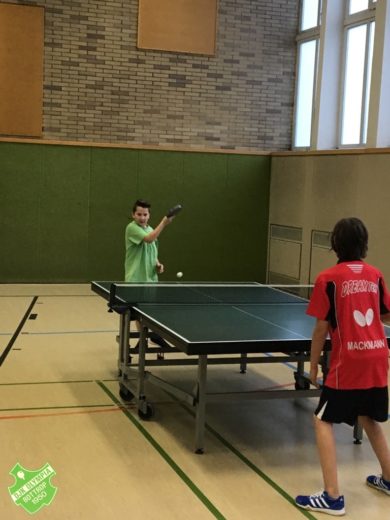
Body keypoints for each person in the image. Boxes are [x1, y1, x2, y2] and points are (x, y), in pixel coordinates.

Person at [295, 217, 390, 516]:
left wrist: (312, 366)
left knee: (322, 420)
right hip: (377, 357)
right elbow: (384, 316)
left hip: (348, 361)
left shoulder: (328, 278)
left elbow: (320, 331)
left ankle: (332, 496)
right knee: (368, 417)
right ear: (364, 244)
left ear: (335, 243)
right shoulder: (375, 275)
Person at [124, 198, 175, 350]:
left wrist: (157, 263)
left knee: (145, 312)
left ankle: (144, 340)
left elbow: (152, 249)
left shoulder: (150, 228)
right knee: (140, 311)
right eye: (139, 214)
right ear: (133, 215)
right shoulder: (131, 228)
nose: (142, 217)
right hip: (136, 278)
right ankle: (153, 337)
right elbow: (149, 239)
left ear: (149, 215)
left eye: (145, 214)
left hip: (150, 278)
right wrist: (164, 222)